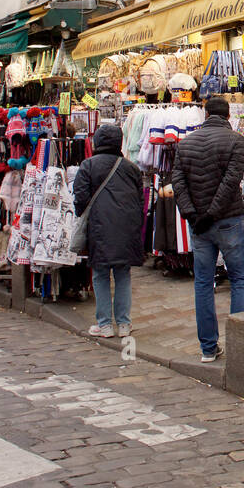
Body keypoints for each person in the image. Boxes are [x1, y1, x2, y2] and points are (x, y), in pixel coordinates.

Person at [172, 96, 244, 362]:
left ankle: (208, 348)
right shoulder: (236, 141)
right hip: (227, 220)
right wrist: (211, 213)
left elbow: (178, 183)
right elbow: (231, 182)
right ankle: (240, 348)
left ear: (205, 115)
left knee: (203, 283)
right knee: (239, 279)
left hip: (200, 225)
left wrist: (193, 214)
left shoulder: (186, 143)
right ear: (228, 115)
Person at [73, 124, 145, 339]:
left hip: (99, 226)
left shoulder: (88, 166)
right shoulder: (131, 168)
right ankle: (123, 323)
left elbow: (80, 198)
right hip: (126, 227)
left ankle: (104, 325)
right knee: (123, 274)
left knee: (101, 274)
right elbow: (140, 200)